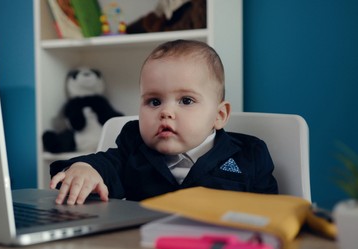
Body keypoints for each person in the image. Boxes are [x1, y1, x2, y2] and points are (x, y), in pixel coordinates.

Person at [49, 39, 278, 205]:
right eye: (154, 101)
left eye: (186, 100)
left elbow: (272, 214)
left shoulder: (249, 155)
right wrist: (85, 169)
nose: (166, 111)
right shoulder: (134, 145)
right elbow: (107, 164)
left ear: (219, 116)